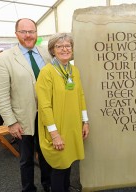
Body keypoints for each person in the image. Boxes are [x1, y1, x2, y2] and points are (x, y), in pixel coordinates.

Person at [0, 18, 52, 192]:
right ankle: (28, 189)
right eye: (24, 32)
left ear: (37, 33)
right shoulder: (4, 59)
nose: (28, 35)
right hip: (22, 118)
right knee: (26, 159)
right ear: (16, 34)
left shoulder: (47, 54)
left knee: (47, 155)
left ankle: (49, 185)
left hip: (47, 115)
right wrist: (11, 122)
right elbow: (1, 95)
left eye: (32, 31)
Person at [35, 33, 89, 192]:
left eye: (68, 46)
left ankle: (66, 188)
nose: (65, 49)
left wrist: (85, 121)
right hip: (57, 128)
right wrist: (55, 134)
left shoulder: (74, 70)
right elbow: (44, 107)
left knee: (68, 162)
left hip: (73, 126)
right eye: (59, 46)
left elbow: (81, 96)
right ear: (52, 50)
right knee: (59, 166)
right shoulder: (47, 73)